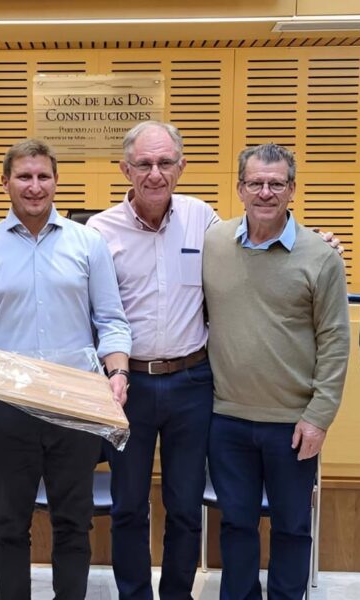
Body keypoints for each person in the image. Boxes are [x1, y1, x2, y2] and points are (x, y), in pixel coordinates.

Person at [0, 138, 132, 599]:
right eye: (24, 177)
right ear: (5, 183)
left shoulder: (88, 244)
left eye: (43, 176)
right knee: (9, 523)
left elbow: (111, 320)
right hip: (8, 407)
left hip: (76, 407)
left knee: (74, 522)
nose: (34, 186)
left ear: (56, 181)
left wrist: (118, 373)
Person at [202, 142, 350, 600]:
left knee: (292, 527)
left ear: (292, 189)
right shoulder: (213, 243)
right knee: (236, 525)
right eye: (255, 183)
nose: (265, 192)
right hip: (226, 419)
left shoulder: (321, 255)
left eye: (275, 184)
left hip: (293, 424)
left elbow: (335, 342)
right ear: (239, 188)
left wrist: (319, 417)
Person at [87, 121, 216, 599]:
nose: (155, 173)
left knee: (185, 505)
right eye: (144, 163)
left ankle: (177, 594)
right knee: (127, 506)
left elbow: (253, 253)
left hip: (191, 382)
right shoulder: (99, 231)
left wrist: (315, 241)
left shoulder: (203, 218)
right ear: (126, 169)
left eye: (165, 162)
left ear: (181, 167)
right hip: (127, 386)